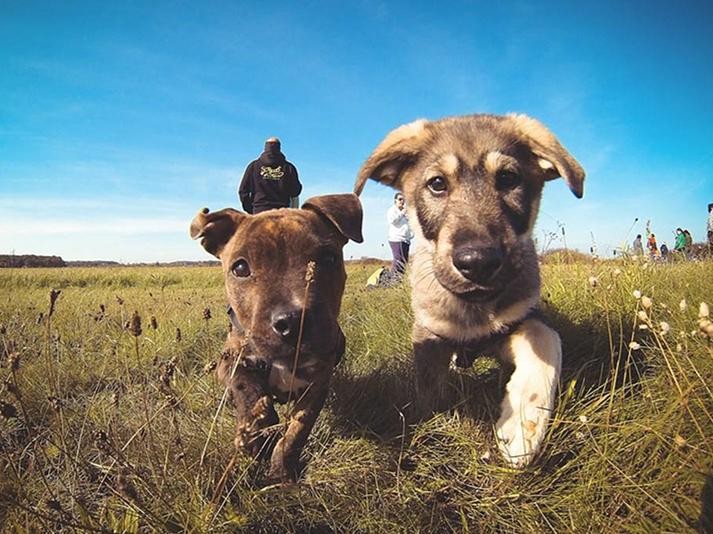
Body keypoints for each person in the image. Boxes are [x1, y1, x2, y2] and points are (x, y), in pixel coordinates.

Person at [238, 137, 302, 214]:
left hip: (259, 212)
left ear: (265, 147)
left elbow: (243, 191)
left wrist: (251, 209)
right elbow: (295, 192)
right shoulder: (289, 168)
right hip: (282, 213)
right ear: (279, 148)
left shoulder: (253, 166)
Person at [387, 192, 414, 276]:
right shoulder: (392, 210)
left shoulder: (406, 213)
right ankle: (392, 280)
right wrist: (402, 213)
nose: (402, 201)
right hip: (396, 239)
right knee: (398, 260)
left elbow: (409, 225)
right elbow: (393, 221)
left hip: (405, 240)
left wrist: (410, 235)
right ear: (395, 201)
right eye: (400, 199)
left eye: (404, 200)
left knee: (404, 261)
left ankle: (399, 280)